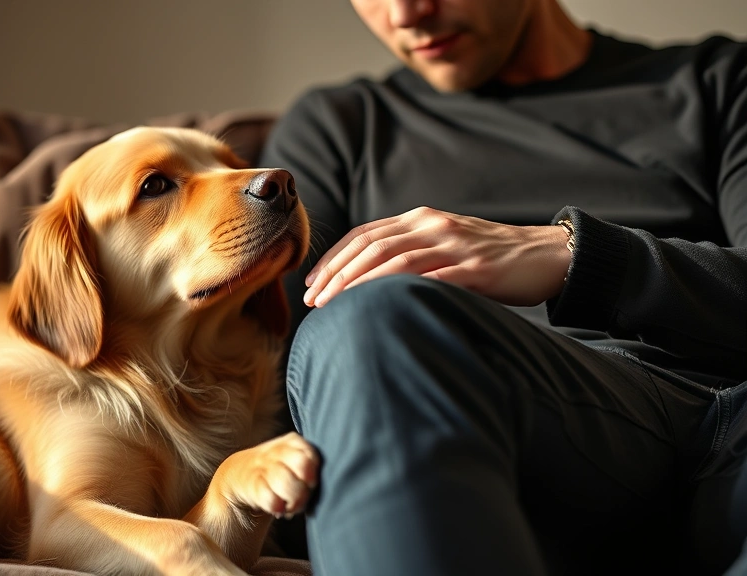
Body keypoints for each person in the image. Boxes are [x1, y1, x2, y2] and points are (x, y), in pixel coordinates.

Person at [257, 0, 747, 574]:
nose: (407, 13)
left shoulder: (720, 81)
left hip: (731, 416)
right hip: (499, 431)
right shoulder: (343, 128)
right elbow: (266, 386)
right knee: (362, 322)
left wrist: (572, 255)